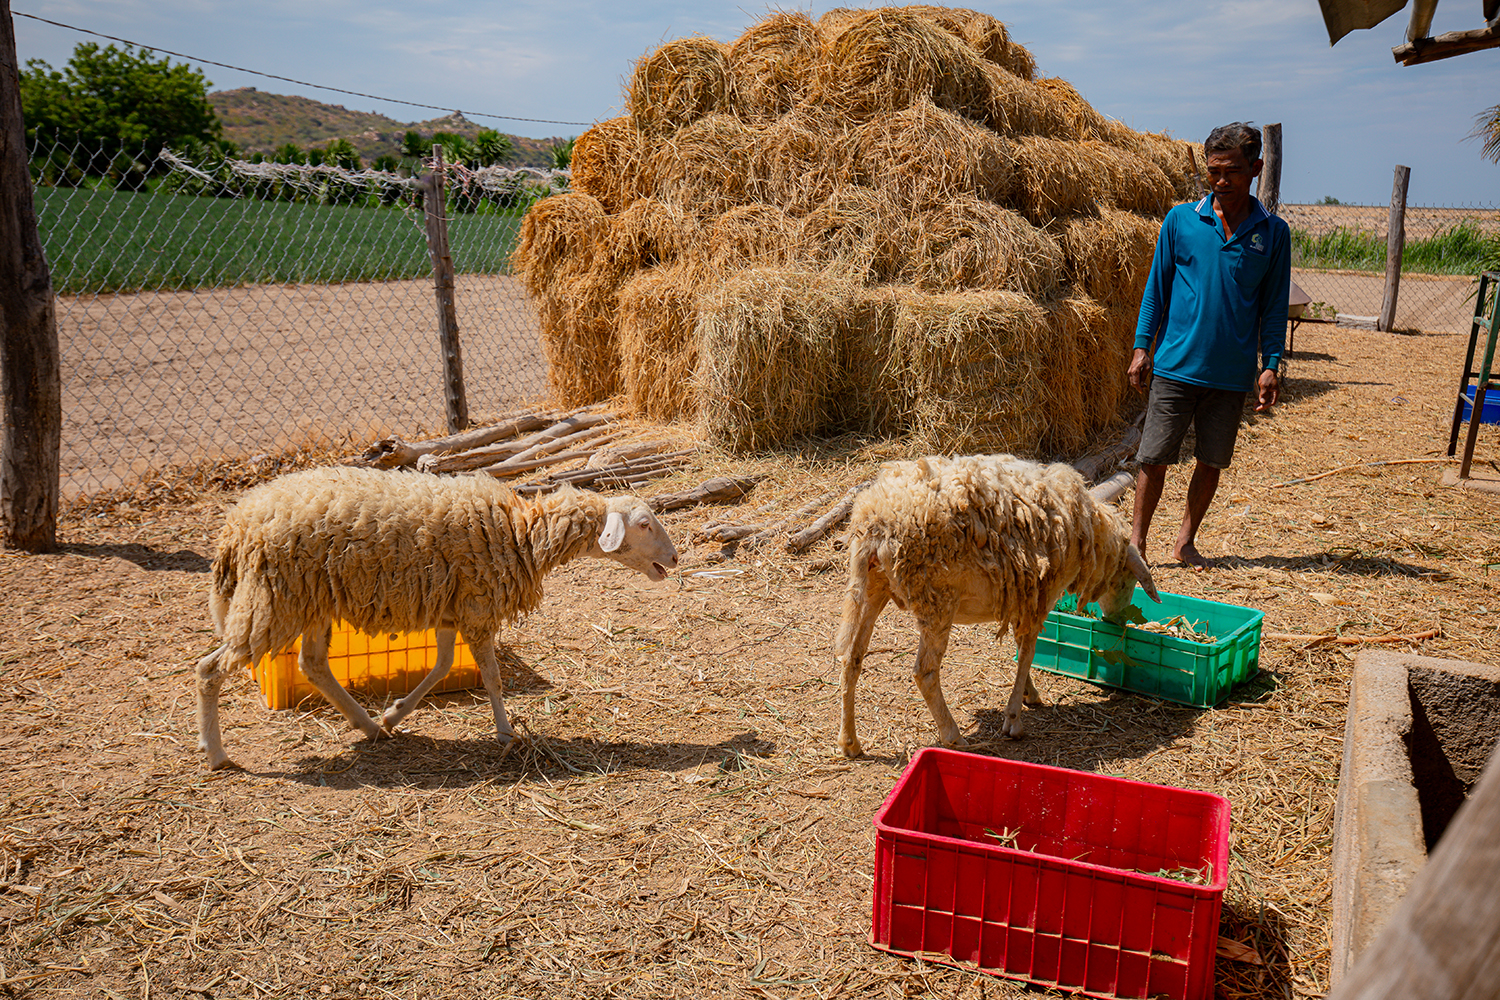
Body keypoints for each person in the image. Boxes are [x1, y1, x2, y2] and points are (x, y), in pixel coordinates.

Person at [1128, 122, 1290, 570]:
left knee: (1211, 461)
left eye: (1233, 171)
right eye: (1213, 171)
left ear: (1255, 167)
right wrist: (1143, 347)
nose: (1221, 180)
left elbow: (1274, 305)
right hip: (1177, 365)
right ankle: (1136, 544)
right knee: (1153, 458)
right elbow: (1156, 290)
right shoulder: (1182, 219)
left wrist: (1271, 362)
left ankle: (1185, 541)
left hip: (1229, 371)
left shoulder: (1272, 234)